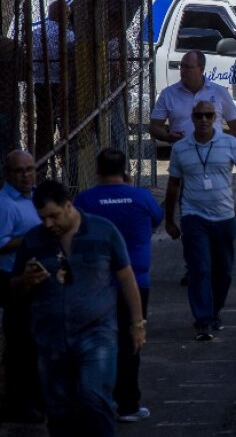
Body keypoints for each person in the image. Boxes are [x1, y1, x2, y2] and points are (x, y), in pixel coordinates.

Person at [11, 179, 145, 437]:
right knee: (59, 409)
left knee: (94, 397)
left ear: (69, 206)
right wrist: (24, 281)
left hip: (96, 333)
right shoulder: (34, 240)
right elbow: (14, 287)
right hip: (51, 338)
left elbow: (126, 277)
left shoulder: (103, 231)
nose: (48, 224)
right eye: (42, 218)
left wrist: (137, 323)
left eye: (53, 216)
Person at [74, 148, 163, 423]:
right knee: (131, 340)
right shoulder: (141, 197)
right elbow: (157, 219)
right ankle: (128, 404)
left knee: (97, 341)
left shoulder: (85, 200)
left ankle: (99, 399)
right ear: (126, 170)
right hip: (136, 282)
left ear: (97, 171)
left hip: (97, 282)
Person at [149, 50, 236, 286]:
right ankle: (193, 264)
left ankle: (214, 261)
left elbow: (235, 124)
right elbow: (154, 126)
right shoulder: (169, 94)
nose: (183, 70)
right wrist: (168, 135)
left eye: (188, 67)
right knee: (190, 213)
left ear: (201, 69)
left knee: (216, 210)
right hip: (185, 162)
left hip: (216, 163)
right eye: (182, 66)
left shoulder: (218, 93)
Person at [164, 101, 236, 341]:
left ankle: (215, 311)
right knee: (199, 269)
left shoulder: (229, 143)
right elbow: (173, 185)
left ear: (215, 118)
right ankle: (202, 320)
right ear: (192, 118)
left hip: (224, 217)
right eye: (199, 116)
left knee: (223, 271)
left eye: (208, 115)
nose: (204, 120)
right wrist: (170, 220)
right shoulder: (181, 148)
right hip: (194, 217)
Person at [0, 150, 44, 423]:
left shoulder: (36, 197)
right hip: (13, 281)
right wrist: (32, 238)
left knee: (36, 341)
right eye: (20, 171)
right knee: (20, 343)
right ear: (8, 174)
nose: (27, 175)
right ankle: (19, 404)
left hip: (37, 280)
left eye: (30, 168)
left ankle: (36, 398)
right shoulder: (5, 204)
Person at [33, 0, 75, 173]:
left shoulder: (36, 33)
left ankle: (41, 167)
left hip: (41, 83)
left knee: (44, 127)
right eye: (67, 14)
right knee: (67, 126)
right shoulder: (69, 36)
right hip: (61, 84)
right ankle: (68, 165)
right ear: (62, 15)